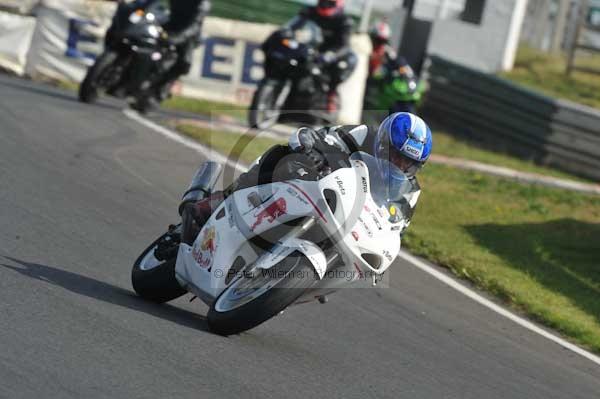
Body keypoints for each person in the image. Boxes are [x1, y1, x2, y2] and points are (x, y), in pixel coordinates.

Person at [180, 113, 432, 244]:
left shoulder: (409, 193)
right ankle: (216, 203)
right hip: (320, 182)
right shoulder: (363, 134)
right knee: (283, 157)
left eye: (407, 162)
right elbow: (322, 137)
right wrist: (312, 148)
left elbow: (396, 229)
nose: (399, 165)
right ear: (383, 142)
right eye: (396, 156)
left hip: (346, 218)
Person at [288, 0, 357, 112]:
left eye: (329, 3)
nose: (325, 5)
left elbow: (344, 46)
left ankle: (331, 94)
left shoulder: (345, 21)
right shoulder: (308, 12)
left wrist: (331, 55)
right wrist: (286, 34)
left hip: (330, 54)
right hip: (309, 49)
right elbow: (293, 27)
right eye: (323, 2)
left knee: (342, 65)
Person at [153, 0, 211, 101]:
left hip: (186, 35)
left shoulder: (202, 4)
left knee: (185, 64)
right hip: (169, 28)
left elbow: (195, 25)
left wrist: (180, 37)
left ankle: (163, 86)